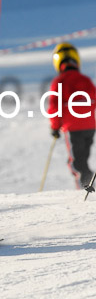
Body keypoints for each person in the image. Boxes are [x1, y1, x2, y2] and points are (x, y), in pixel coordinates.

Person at [48, 43, 96, 190]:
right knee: (83, 159)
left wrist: (55, 127)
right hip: (90, 127)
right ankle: (88, 183)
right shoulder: (85, 80)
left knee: (76, 163)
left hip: (72, 128)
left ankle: (85, 188)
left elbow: (55, 107)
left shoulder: (59, 82)